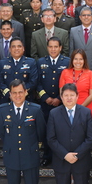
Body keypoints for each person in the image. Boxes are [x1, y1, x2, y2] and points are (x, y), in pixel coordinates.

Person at [45, 83, 92, 184]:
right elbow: (51, 138)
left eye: (71, 95)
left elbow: (90, 138)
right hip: (62, 160)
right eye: (65, 95)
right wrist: (65, 155)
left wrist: (77, 155)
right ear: (61, 97)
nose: (68, 98)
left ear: (77, 96)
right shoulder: (54, 113)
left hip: (81, 160)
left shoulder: (85, 112)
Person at [0, 80, 46, 184]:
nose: (17, 95)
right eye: (14, 93)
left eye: (20, 92)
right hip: (11, 154)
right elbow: (1, 132)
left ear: (26, 92)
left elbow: (41, 133)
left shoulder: (36, 109)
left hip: (30, 155)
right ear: (10, 94)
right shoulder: (3, 109)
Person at [36, 37, 70, 166]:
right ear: (47, 47)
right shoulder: (40, 62)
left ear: (60, 48)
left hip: (61, 103)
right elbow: (37, 83)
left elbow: (69, 83)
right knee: (46, 131)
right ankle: (47, 155)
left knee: (61, 131)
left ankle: (60, 156)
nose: (53, 49)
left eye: (56, 46)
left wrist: (59, 98)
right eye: (50, 46)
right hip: (45, 103)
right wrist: (45, 97)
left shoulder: (67, 61)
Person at [59, 49, 92, 122]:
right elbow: (61, 93)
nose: (78, 62)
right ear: (72, 60)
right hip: (68, 109)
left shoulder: (91, 74)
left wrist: (79, 109)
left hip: (86, 109)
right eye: (76, 59)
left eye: (81, 59)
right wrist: (71, 108)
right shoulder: (65, 72)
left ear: (84, 60)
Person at [0, 37, 38, 103]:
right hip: (7, 100)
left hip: (26, 100)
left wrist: (21, 93)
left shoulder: (31, 62)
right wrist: (10, 94)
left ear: (23, 48)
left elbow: (33, 82)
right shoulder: (2, 62)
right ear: (10, 49)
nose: (16, 49)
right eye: (13, 46)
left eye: (19, 46)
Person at [69, 7, 92, 77]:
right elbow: (71, 51)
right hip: (77, 67)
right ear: (80, 17)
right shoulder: (73, 31)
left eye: (88, 15)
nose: (86, 17)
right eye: (84, 15)